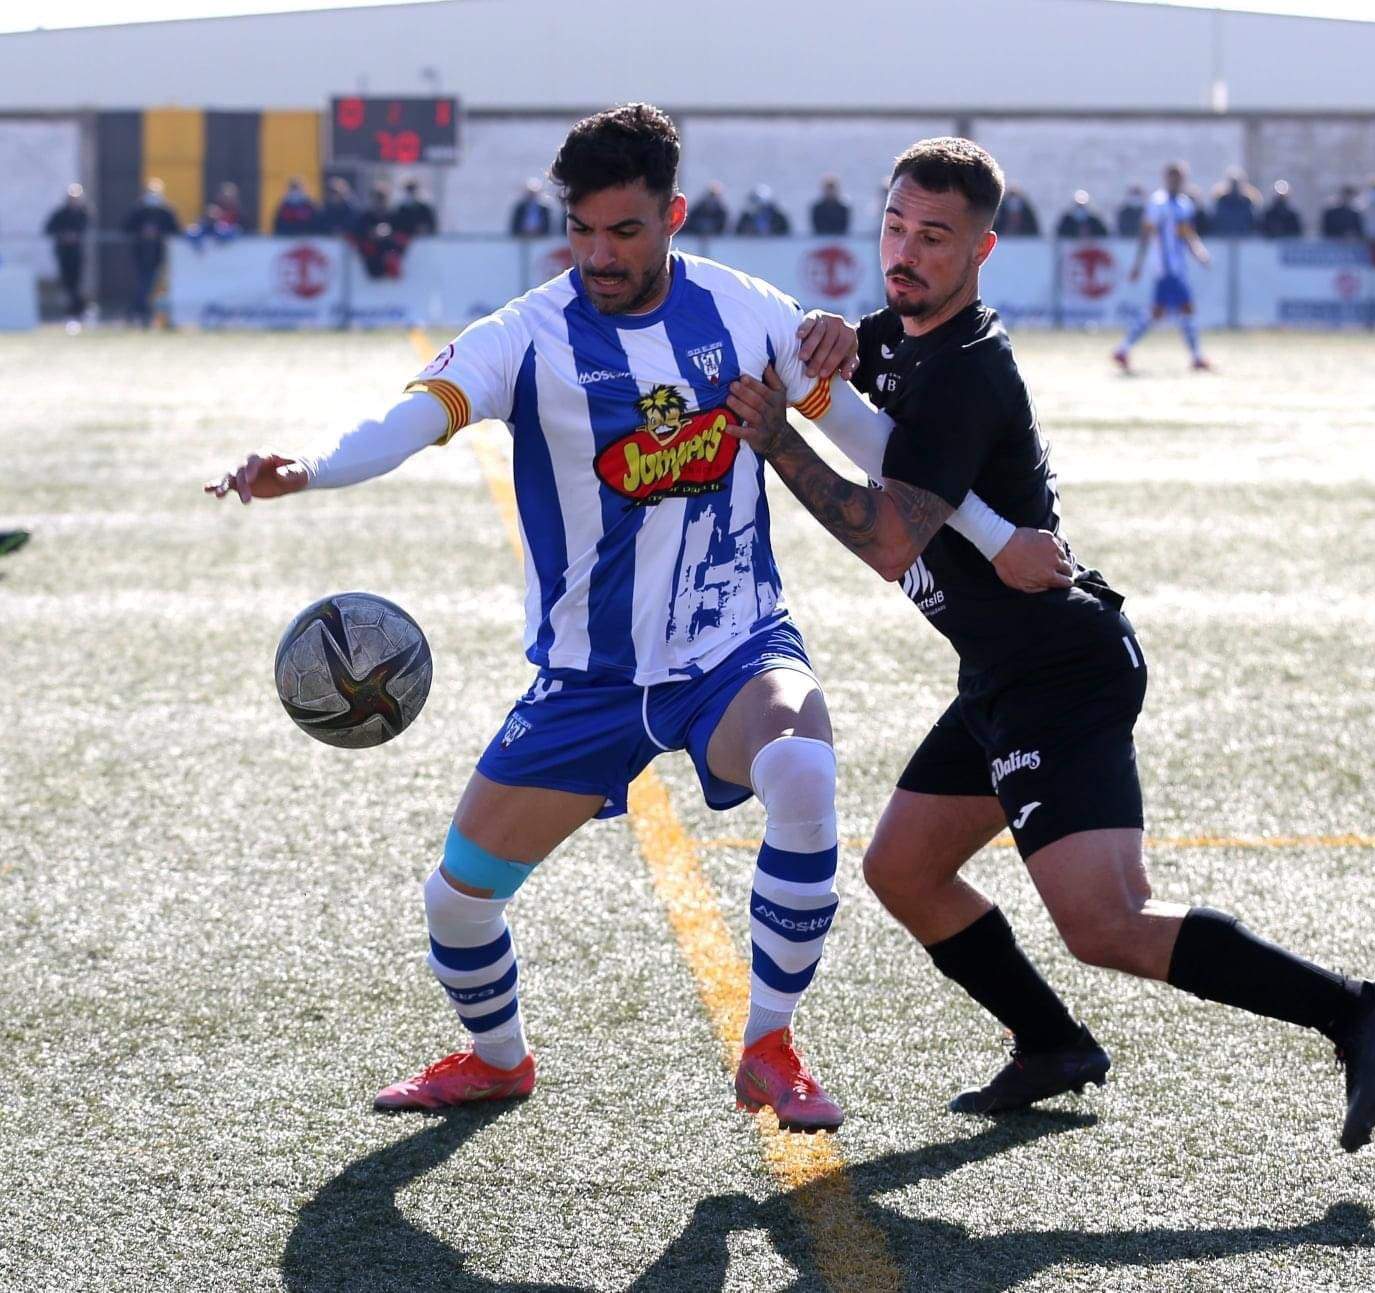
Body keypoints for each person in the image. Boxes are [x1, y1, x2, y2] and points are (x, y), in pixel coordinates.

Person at [204, 104, 1061, 1131]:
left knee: (803, 767)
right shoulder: (525, 335)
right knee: (457, 902)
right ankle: (496, 1059)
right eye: (581, 230)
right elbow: (411, 421)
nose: (599, 255)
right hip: (590, 676)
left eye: (625, 231)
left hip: (733, 645)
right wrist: (309, 468)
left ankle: (770, 1046)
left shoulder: (746, 313)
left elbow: (878, 447)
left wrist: (996, 529)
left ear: (673, 217)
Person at [724, 135, 1375, 1153]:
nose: (907, 254)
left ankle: (1357, 1010)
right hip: (1000, 673)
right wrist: (826, 338)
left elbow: (886, 543)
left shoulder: (967, 370)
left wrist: (778, 438)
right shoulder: (900, 339)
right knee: (906, 871)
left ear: (983, 250)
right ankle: (1052, 1045)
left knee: (1108, 923)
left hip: (1063, 670)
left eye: (936, 237)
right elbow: (835, 361)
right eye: (895, 228)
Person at [1113, 161, 1212, 373]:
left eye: (1180, 177)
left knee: (1157, 313)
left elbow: (1188, 235)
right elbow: (1146, 235)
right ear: (1166, 178)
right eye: (1173, 177)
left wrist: (1199, 252)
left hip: (1179, 267)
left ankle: (1123, 349)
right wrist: (1138, 265)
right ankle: (1196, 357)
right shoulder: (1157, 203)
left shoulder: (1185, 204)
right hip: (1166, 269)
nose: (1176, 181)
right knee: (1186, 308)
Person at [121, 178, 180, 327]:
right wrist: (142, 231)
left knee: (150, 283)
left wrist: (158, 233)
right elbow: (126, 227)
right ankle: (140, 310)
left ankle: (138, 310)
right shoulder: (139, 209)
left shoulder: (166, 210)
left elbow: (175, 229)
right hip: (140, 251)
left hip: (159, 252)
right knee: (144, 281)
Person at [43, 183, 91, 324]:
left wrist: (75, 236)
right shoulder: (60, 213)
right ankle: (73, 312)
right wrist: (63, 235)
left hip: (77, 253)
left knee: (77, 283)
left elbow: (85, 227)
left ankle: (78, 311)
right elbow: (49, 228)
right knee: (67, 283)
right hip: (63, 253)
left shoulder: (83, 213)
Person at [352, 183, 406, 278]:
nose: (379, 201)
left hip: (390, 257)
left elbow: (402, 233)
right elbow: (358, 232)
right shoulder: (366, 217)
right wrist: (370, 233)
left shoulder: (394, 217)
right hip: (372, 259)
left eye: (382, 198)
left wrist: (389, 235)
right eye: (377, 198)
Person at [1209, 167, 1261, 239]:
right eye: (1233, 183)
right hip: (1223, 239)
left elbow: (1253, 222)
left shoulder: (1247, 202)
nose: (1235, 187)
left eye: (1236, 183)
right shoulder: (1221, 201)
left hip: (1244, 239)